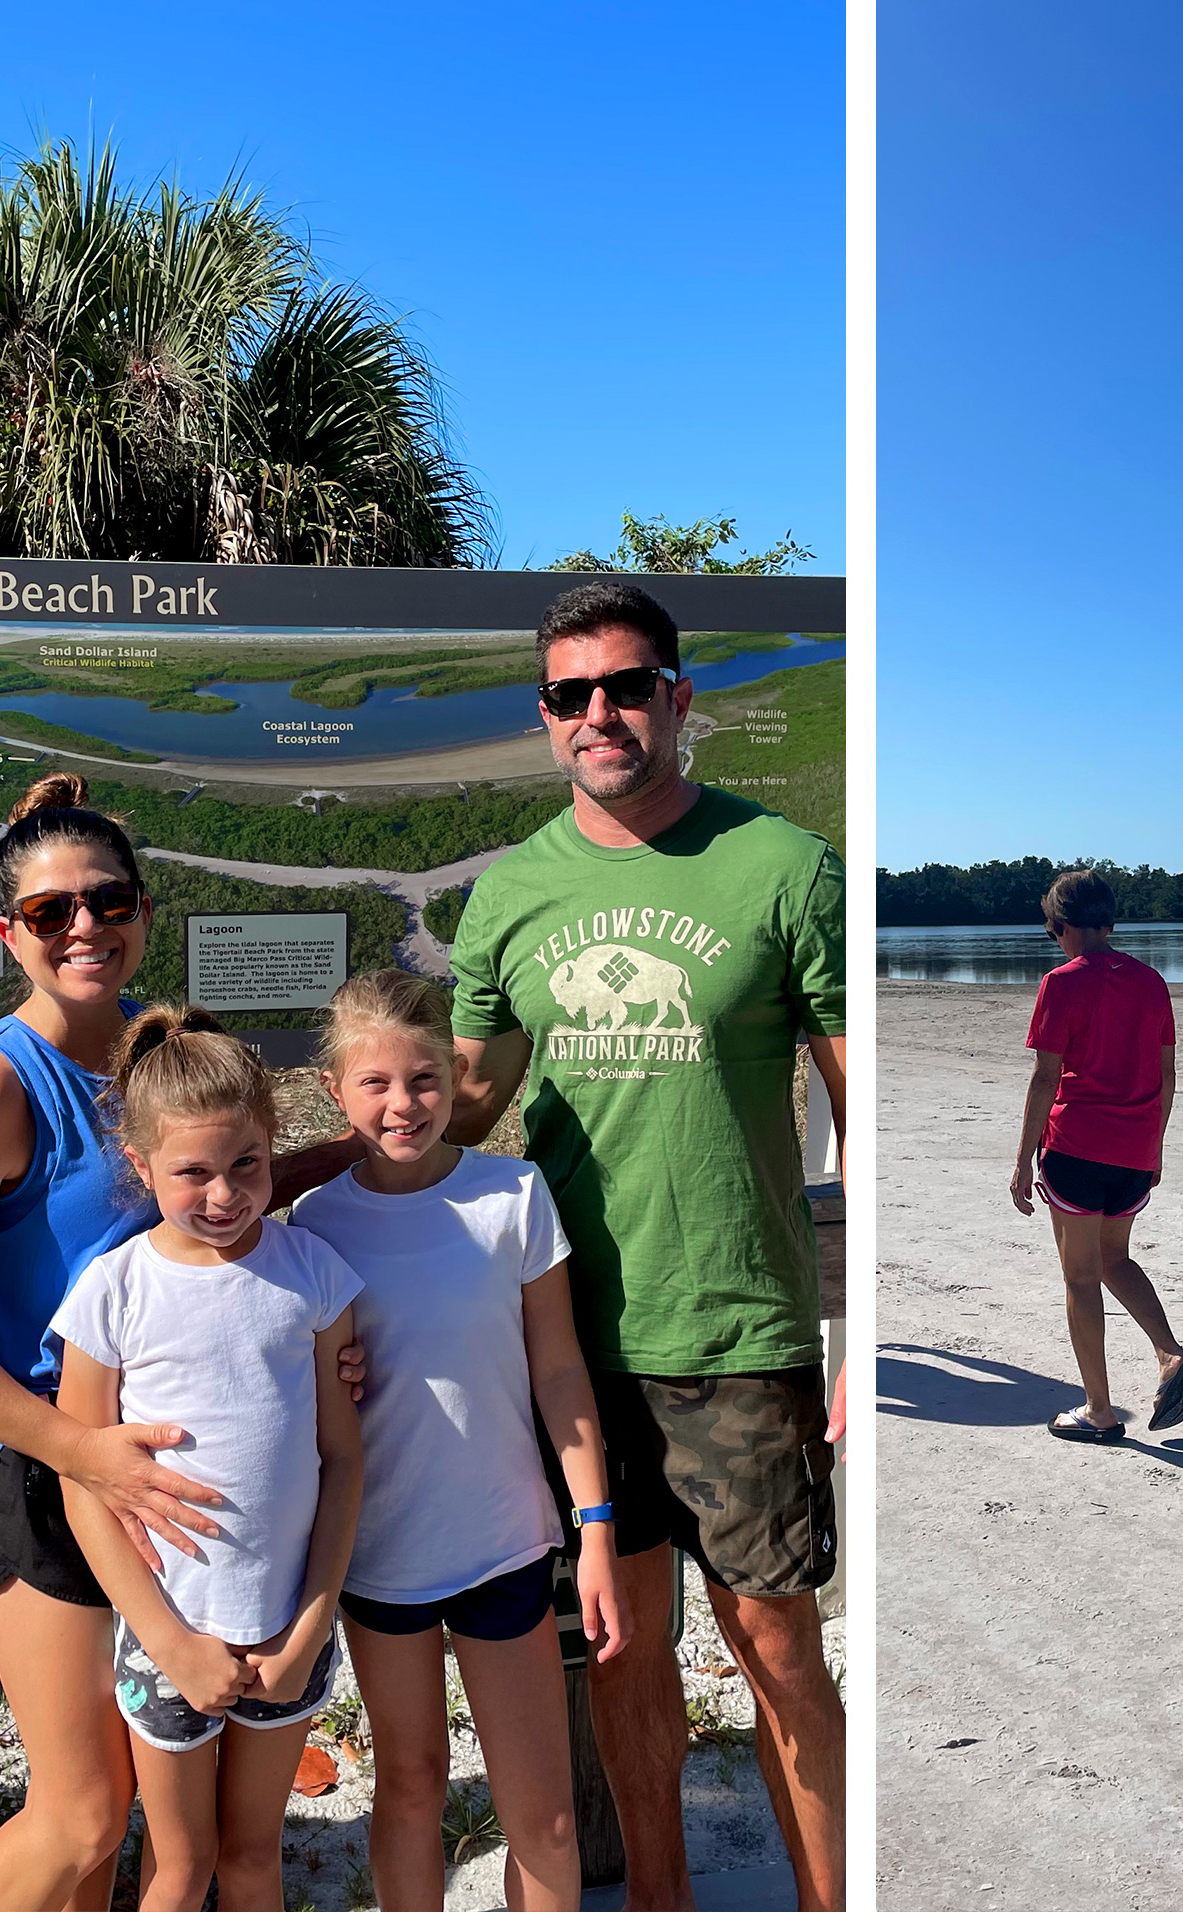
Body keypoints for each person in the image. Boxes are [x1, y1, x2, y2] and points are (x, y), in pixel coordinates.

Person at [446, 581, 847, 1911]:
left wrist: (878, 1331)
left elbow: (869, 1108)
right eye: (573, 695)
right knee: (623, 1652)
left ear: (679, 701)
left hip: (739, 1330)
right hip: (567, 1346)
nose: (600, 714)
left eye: (626, 687)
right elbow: (455, 1108)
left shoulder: (784, 867)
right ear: (546, 718)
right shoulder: (510, 897)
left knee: (778, 1647)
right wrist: (278, 1180)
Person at [0, 775, 361, 1912]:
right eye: (50, 914)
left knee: (138, 1823)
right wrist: (86, 1454)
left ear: (144, 912)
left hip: (174, 1471)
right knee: (83, 1816)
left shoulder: (153, 1064)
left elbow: (208, 1207)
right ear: (9, 934)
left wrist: (364, 1168)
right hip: (42, 1467)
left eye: (105, 902)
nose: (84, 930)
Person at [289, 971, 628, 1912]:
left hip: (503, 1542)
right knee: (408, 1787)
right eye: (376, 1084)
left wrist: (594, 1524)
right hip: (380, 1552)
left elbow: (558, 1369)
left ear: (458, 1074)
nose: (403, 1105)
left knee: (545, 1817)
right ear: (335, 1091)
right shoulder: (316, 1223)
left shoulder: (512, 1194)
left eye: (425, 1080)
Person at [51, 1007, 364, 1912]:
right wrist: (169, 1642)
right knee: (181, 1868)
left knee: (257, 1856)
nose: (225, 1193)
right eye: (193, 1172)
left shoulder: (314, 1272)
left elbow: (342, 1461)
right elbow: (86, 1484)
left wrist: (309, 1629)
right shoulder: (111, 1291)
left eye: (247, 1165)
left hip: (287, 1633)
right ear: (141, 1167)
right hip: (169, 1635)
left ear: (273, 1144)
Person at [1006, 869, 1183, 1442]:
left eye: (1055, 933)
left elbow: (1045, 1079)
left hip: (1077, 1146)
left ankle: (1099, 1409)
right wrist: (1157, 1143)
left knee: (1081, 1275)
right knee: (1115, 1259)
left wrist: (1023, 1160)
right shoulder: (1151, 982)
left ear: (1061, 925)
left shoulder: (1061, 982)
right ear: (1109, 920)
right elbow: (1167, 1074)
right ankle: (1169, 1354)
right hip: (1135, 1147)